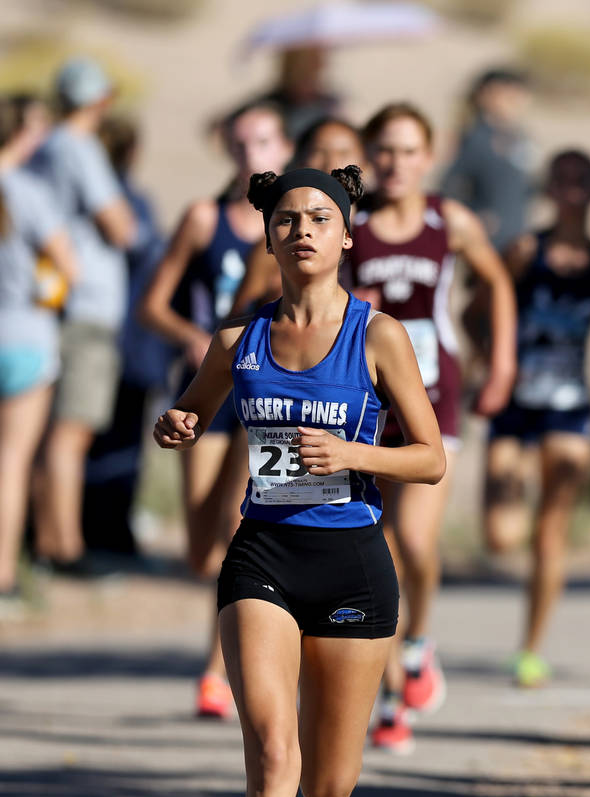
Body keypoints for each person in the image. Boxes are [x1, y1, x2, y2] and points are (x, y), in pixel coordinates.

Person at [153, 165, 445, 797]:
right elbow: (193, 412)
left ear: (347, 235)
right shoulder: (235, 342)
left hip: (353, 564)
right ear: (269, 236)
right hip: (263, 558)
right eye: (287, 219)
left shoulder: (378, 336)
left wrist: (351, 453)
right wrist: (178, 424)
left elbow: (430, 458)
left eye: (321, 217)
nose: (303, 230)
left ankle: (328, 771)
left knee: (328, 788)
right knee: (272, 755)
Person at [350, 102, 516, 752]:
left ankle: (418, 640)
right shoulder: (352, 223)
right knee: (377, 549)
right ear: (369, 155)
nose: (395, 163)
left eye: (408, 151)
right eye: (384, 150)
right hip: (368, 404)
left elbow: (497, 282)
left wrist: (499, 363)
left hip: (435, 398)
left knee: (416, 541)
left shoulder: (450, 221)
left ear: (430, 155)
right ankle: (392, 698)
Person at [140, 100, 293, 718]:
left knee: (243, 526)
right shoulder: (204, 218)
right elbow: (152, 305)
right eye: (241, 144)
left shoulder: (298, 222)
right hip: (209, 387)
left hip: (267, 391)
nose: (252, 154)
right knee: (204, 550)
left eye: (264, 142)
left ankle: (219, 668)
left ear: (284, 148)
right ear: (226, 150)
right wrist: (191, 338)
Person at [484, 149, 590, 686]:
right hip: (514, 405)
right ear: (548, 189)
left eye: (582, 181)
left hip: (570, 407)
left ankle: (530, 651)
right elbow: (474, 310)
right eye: (562, 180)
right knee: (501, 535)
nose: (572, 190)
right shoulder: (523, 252)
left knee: (550, 533)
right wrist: (490, 362)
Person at [0, 95, 77, 617]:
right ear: (17, 135)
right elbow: (68, 266)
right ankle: (1, 579)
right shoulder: (29, 193)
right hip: (22, 339)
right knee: (10, 462)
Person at [31, 56, 136, 575]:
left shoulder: (44, 147)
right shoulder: (79, 147)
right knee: (70, 433)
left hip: (56, 302)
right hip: (86, 305)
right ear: (101, 100)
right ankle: (64, 547)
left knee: (50, 430)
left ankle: (44, 539)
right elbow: (121, 227)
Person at [83, 115, 174, 558]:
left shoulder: (79, 202)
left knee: (84, 441)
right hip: (131, 344)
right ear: (132, 152)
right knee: (120, 446)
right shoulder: (133, 204)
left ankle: (88, 534)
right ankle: (112, 537)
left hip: (97, 339)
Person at [229, 117, 365, 317]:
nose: (331, 162)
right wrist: (278, 301)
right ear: (300, 159)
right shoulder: (281, 241)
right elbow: (239, 317)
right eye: (319, 152)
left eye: (343, 153)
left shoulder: (378, 230)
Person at [439, 67, 536, 253]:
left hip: (518, 239)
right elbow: (450, 186)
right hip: (486, 242)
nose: (516, 100)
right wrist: (473, 215)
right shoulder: (475, 137)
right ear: (485, 94)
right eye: (508, 93)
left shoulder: (521, 138)